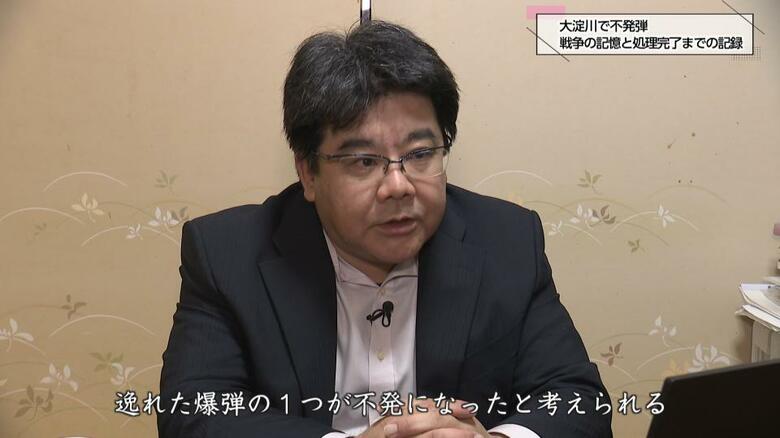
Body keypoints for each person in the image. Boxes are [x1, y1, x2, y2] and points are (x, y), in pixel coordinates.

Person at [158, 20, 612, 438]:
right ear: (309, 173)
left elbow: (579, 401)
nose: (398, 186)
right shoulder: (227, 255)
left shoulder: (507, 240)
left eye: (420, 154)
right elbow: (192, 415)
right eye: (364, 161)